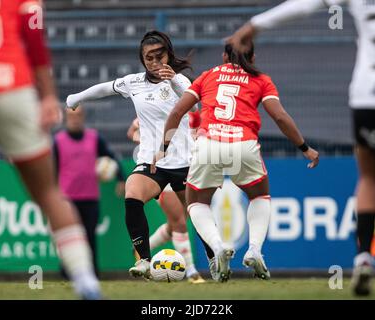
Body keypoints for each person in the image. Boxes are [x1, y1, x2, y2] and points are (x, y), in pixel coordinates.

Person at [226, 0, 375, 296]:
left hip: (366, 96)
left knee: (369, 178)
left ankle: (362, 258)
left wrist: (253, 25)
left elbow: (306, 4)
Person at [153, 43, 319, 282]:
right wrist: (304, 147)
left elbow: (177, 112)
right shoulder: (261, 79)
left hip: (209, 144)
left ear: (223, 56)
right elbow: (280, 116)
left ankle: (218, 246)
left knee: (196, 203)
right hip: (244, 146)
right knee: (259, 197)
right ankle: (254, 249)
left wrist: (163, 149)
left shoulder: (208, 76)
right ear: (253, 56)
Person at [66, 30, 212, 281]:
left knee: (196, 213)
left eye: (160, 56)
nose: (155, 63)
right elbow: (105, 88)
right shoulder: (134, 83)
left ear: (169, 54)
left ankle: (215, 258)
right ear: (142, 59)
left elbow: (195, 108)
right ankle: (144, 259)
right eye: (149, 58)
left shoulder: (182, 83)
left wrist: (175, 81)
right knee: (133, 195)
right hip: (152, 162)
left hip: (185, 161)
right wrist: (76, 98)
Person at [0, 0, 101, 299]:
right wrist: (48, 96)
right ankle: (86, 282)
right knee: (48, 194)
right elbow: (35, 42)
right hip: (14, 89)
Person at [127, 114, 206, 284]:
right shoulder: (157, 107)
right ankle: (191, 271)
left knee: (177, 223)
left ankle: (140, 248)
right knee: (179, 222)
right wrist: (147, 142)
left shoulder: (194, 112)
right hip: (161, 171)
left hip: (186, 168)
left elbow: (199, 135)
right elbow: (132, 131)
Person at [53, 107, 126, 278]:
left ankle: (93, 273)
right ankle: (66, 272)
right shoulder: (58, 141)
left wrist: (121, 179)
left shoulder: (94, 138)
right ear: (65, 118)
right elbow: (52, 169)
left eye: (78, 115)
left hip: (90, 198)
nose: (75, 119)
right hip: (67, 199)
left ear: (83, 116)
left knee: (90, 238)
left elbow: (111, 157)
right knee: (69, 239)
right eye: (71, 116)